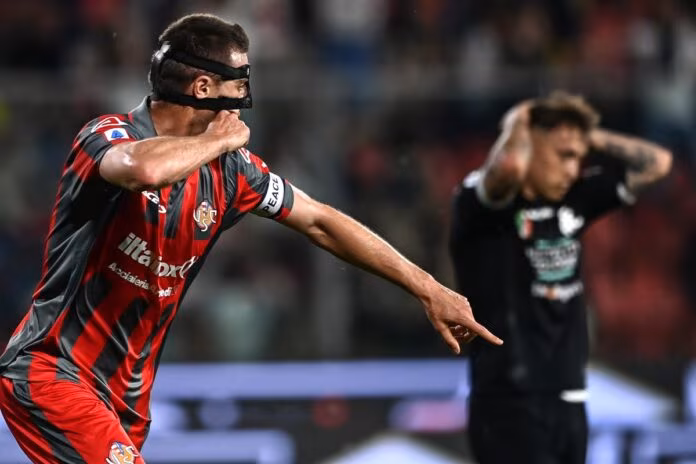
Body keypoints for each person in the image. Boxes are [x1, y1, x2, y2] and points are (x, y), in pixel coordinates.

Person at [0, 13, 502, 464]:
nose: (244, 99)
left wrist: (426, 287)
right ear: (202, 87)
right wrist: (217, 139)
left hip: (124, 400)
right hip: (53, 372)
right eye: (238, 82)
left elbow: (320, 220)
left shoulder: (232, 172)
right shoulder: (108, 136)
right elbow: (142, 170)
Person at [449, 92, 672, 464]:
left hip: (569, 397)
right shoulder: (482, 206)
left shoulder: (573, 201)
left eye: (578, 158)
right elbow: (507, 168)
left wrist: (590, 136)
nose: (572, 169)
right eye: (563, 155)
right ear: (530, 147)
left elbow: (657, 164)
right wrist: (519, 122)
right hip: (508, 400)